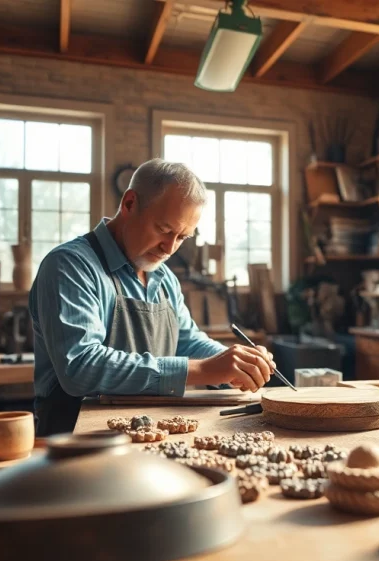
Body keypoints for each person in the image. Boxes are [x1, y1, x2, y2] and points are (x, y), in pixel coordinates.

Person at [29, 159, 275, 435]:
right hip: (75, 444)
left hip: (150, 435)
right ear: (130, 203)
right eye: (164, 230)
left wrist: (235, 362)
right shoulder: (70, 266)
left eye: (182, 237)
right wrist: (202, 370)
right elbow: (80, 367)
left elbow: (185, 340)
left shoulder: (164, 278)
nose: (170, 248)